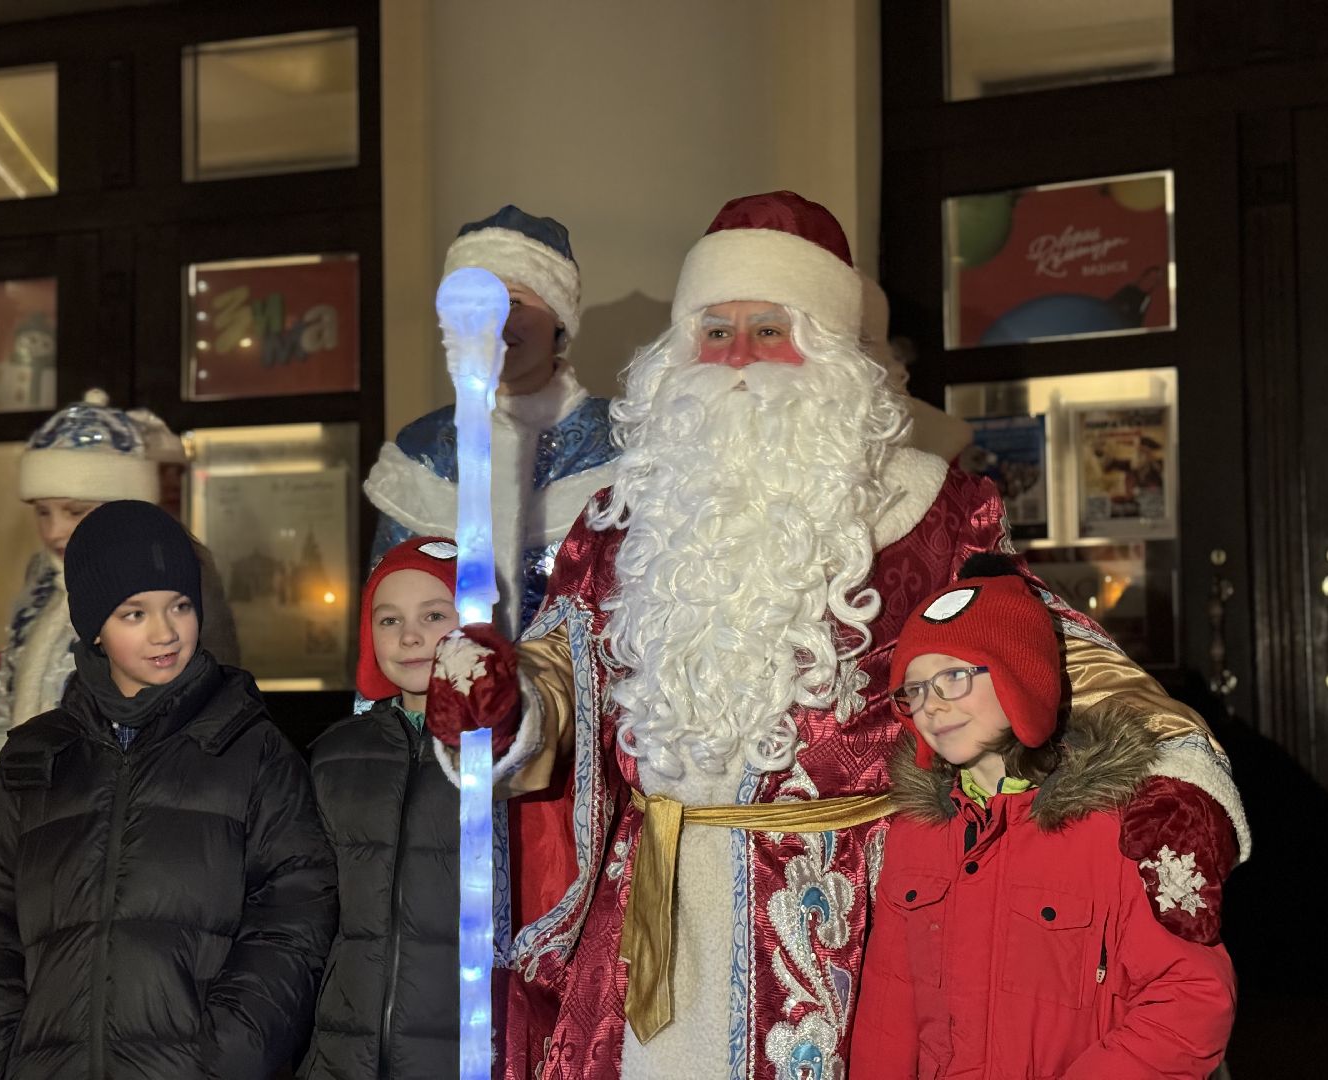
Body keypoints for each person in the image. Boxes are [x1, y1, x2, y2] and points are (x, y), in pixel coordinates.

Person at [420, 192, 1249, 1080]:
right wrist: (504, 703)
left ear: (829, 350)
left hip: (853, 924)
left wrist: (1178, 781)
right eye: (715, 330)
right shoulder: (622, 519)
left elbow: (1059, 653)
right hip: (646, 927)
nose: (738, 357)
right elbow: (563, 669)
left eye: (770, 330)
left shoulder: (926, 511)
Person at [0, 500, 336, 1080]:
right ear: (95, 626)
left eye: (180, 606)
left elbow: (296, 911)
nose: (165, 632)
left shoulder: (252, 752)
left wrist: (229, 1055)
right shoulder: (36, 762)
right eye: (134, 613)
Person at [850, 555, 1236, 1079]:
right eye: (913, 689)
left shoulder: (1114, 828)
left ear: (1019, 676)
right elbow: (887, 1008)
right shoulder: (916, 834)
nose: (931, 706)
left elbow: (1191, 999)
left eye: (954, 677)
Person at [0, 392, 238, 886]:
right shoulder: (42, 582)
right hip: (28, 825)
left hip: (121, 843)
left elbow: (195, 724)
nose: (54, 531)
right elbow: (4, 721)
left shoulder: (173, 575)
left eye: (74, 511)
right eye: (42, 512)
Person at [363, 205, 617, 637]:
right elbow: (388, 616)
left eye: (513, 301)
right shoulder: (424, 451)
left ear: (559, 316)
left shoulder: (620, 439)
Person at [300, 536, 475, 1079]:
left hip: (459, 1051)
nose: (410, 636)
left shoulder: (507, 755)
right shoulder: (335, 756)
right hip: (341, 1053)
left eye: (434, 615)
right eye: (389, 620)